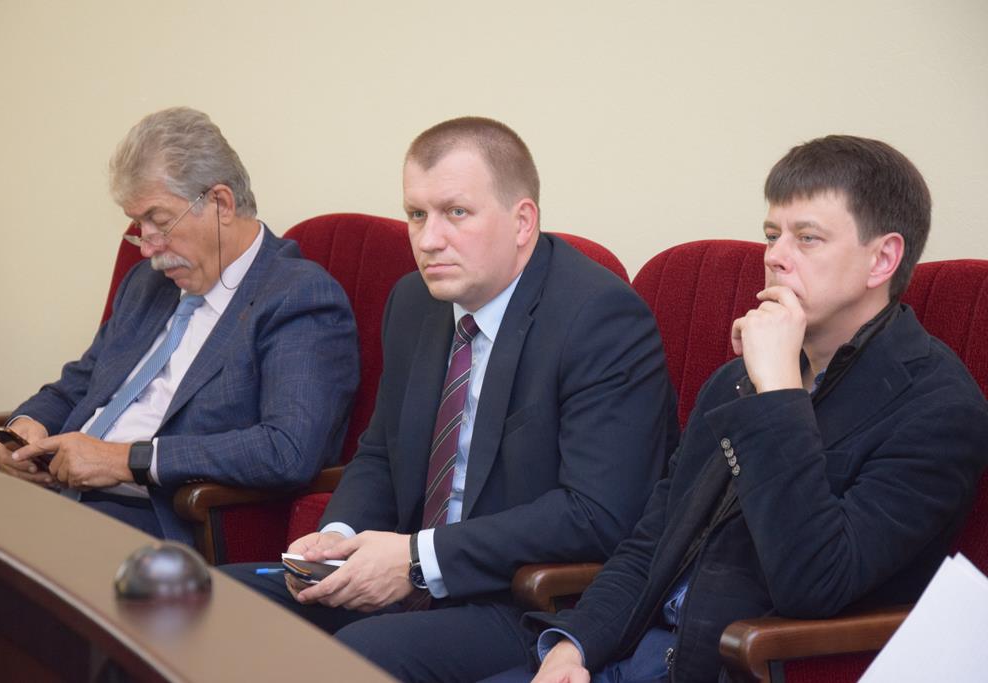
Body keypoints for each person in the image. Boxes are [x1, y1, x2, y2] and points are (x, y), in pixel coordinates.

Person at [488, 135, 988, 683]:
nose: (774, 256)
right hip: (630, 654)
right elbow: (653, 539)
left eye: (807, 238)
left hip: (730, 667)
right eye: (772, 235)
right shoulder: (738, 377)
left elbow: (814, 581)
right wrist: (573, 645)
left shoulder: (938, 410)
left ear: (883, 259)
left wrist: (777, 395)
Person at [222, 116, 678, 681]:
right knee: (213, 601)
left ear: (522, 221)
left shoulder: (600, 318)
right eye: (416, 214)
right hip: (408, 573)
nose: (428, 239)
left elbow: (596, 515)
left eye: (456, 212)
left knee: (352, 656)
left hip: (524, 600)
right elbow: (381, 452)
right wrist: (338, 540)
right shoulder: (414, 301)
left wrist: (419, 559)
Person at [0, 107, 359, 545]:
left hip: (155, 521)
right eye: (139, 226)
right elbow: (83, 382)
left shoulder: (296, 295)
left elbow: (287, 449)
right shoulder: (148, 284)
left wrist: (126, 460)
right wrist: (26, 425)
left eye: (160, 222)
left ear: (220, 203)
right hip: (59, 497)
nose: (147, 248)